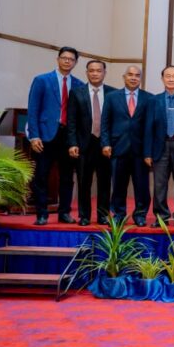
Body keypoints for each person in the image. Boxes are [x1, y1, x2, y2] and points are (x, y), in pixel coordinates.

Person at [27, 46, 83, 225]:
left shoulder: (79, 85)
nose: (67, 61)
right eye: (64, 58)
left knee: (67, 177)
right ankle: (42, 214)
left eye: (71, 59)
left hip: (68, 137)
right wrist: (34, 136)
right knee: (41, 175)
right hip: (45, 136)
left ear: (75, 63)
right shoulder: (42, 80)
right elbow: (33, 110)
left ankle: (64, 212)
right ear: (57, 59)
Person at [66, 59, 115, 226]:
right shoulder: (76, 93)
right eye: (91, 71)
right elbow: (71, 121)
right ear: (87, 73)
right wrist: (72, 143)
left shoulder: (113, 93)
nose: (95, 73)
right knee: (83, 182)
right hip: (83, 145)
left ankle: (103, 215)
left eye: (98, 70)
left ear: (104, 73)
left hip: (105, 144)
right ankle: (84, 216)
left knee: (104, 182)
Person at [101, 66, 151, 226]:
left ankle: (140, 215)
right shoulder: (111, 97)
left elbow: (151, 126)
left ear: (140, 78)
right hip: (118, 148)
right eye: (130, 74)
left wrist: (149, 151)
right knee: (118, 185)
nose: (133, 78)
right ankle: (118, 214)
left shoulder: (149, 98)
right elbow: (105, 122)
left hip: (140, 150)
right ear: (124, 77)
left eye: (137, 75)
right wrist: (105, 143)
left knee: (142, 186)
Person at [144, 66, 174, 226]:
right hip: (160, 146)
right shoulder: (153, 100)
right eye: (168, 76)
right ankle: (161, 217)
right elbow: (148, 127)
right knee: (159, 184)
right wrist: (147, 153)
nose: (171, 79)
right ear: (162, 78)